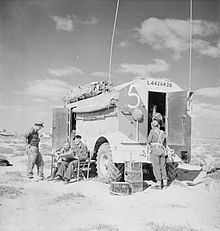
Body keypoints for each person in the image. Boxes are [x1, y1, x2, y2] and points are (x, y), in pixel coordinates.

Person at [147, 120, 168, 189]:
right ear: (158, 125)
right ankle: (165, 183)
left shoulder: (152, 131)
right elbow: (164, 141)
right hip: (162, 150)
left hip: (155, 151)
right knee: (163, 167)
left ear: (152, 126)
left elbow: (148, 141)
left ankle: (159, 183)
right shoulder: (162, 132)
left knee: (156, 167)